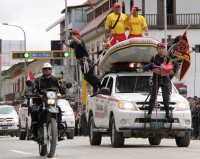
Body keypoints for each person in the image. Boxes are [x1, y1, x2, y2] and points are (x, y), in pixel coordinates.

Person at [30, 62, 67, 140]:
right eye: (45, 69)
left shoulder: (57, 80)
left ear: (51, 70)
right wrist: (31, 93)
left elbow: (62, 88)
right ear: (42, 70)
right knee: (34, 111)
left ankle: (59, 129)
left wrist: (65, 94)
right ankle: (34, 132)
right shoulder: (38, 80)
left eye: (49, 69)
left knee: (59, 110)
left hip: (52, 102)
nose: (47, 70)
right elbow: (32, 88)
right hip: (40, 101)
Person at [62, 29, 101, 95]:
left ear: (77, 35)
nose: (72, 37)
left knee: (90, 75)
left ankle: (99, 86)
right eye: (72, 35)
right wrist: (64, 42)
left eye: (73, 35)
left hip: (86, 61)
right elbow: (69, 45)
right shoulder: (74, 42)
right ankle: (95, 87)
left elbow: (79, 42)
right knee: (86, 77)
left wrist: (72, 36)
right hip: (82, 62)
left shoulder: (80, 40)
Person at [146, 43, 174, 119]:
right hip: (156, 79)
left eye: (162, 48)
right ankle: (149, 113)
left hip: (165, 79)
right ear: (157, 49)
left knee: (165, 97)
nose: (161, 50)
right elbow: (149, 67)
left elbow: (172, 71)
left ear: (164, 49)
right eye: (159, 48)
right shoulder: (154, 58)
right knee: (153, 97)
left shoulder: (168, 59)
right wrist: (154, 70)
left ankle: (167, 114)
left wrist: (168, 71)